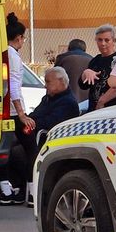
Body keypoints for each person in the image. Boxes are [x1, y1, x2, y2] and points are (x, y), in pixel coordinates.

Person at [9, 66, 81, 206]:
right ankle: (17, 189)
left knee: (19, 152)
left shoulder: (68, 103)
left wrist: (32, 122)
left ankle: (31, 191)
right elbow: (37, 114)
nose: (45, 85)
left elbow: (51, 122)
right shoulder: (48, 98)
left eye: (48, 82)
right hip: (37, 136)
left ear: (61, 82)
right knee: (12, 147)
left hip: (49, 141)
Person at [0, 13, 30, 205]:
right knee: (30, 149)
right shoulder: (13, 57)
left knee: (2, 151)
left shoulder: (1, 53)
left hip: (2, 110)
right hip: (12, 112)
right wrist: (21, 113)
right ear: (19, 38)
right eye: (23, 39)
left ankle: (5, 190)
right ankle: (31, 193)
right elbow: (14, 86)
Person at [80, 24, 116, 112]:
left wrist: (102, 101)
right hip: (94, 109)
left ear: (114, 41)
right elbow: (83, 85)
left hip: (114, 109)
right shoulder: (95, 60)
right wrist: (85, 73)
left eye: (107, 40)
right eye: (100, 40)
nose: (103, 43)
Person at [54, 38, 93, 107]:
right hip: (86, 100)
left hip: (66, 98)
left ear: (69, 48)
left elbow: (53, 76)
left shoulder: (62, 58)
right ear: (84, 49)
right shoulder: (91, 59)